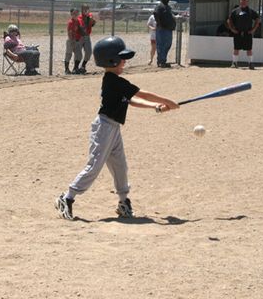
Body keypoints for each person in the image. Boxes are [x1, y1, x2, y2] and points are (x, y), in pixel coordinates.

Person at [54, 36, 180, 220]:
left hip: (113, 128)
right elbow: (141, 93)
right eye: (122, 58)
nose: (125, 62)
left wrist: (155, 107)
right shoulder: (113, 81)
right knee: (94, 166)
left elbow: (133, 100)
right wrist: (166, 101)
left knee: (120, 166)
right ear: (111, 60)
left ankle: (123, 202)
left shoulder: (117, 82)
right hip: (104, 128)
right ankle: (67, 198)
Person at [227, 0, 260, 70]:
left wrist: (253, 29)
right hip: (237, 33)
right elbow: (229, 20)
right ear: (240, 1)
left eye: (245, 0)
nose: (243, 2)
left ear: (248, 2)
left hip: (247, 33)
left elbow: (257, 19)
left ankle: (251, 63)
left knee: (249, 49)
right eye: (242, 0)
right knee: (236, 48)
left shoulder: (251, 11)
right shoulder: (235, 11)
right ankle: (234, 63)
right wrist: (232, 29)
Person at [153, 0, 176, 68]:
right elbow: (155, 14)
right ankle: (161, 61)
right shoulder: (159, 6)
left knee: (167, 45)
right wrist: (160, 24)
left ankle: (163, 60)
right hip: (162, 29)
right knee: (161, 45)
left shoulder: (168, 7)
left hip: (168, 29)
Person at [76, 4, 96, 74]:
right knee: (78, 53)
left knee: (89, 52)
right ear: (81, 10)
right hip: (80, 37)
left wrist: (90, 19)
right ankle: (76, 68)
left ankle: (83, 66)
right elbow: (82, 28)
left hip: (87, 36)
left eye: (87, 9)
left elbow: (93, 23)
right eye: (84, 9)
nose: (86, 11)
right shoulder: (79, 18)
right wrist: (88, 20)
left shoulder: (90, 16)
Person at [64, 8, 82, 75]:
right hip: (71, 40)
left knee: (79, 55)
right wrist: (72, 40)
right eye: (74, 13)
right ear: (71, 14)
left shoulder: (78, 21)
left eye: (77, 13)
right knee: (68, 54)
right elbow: (69, 32)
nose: (76, 14)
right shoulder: (71, 22)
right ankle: (66, 69)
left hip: (77, 41)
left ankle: (75, 68)